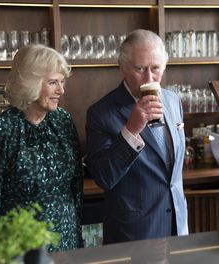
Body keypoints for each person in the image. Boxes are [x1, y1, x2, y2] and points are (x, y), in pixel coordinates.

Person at [0, 44, 84, 252]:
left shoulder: (64, 121)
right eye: (53, 83)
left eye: (62, 82)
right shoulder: (3, 129)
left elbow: (76, 185)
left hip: (66, 239)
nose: (61, 90)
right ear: (31, 84)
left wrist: (77, 234)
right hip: (22, 245)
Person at [85, 29, 188, 244]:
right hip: (134, 235)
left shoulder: (172, 100)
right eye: (140, 69)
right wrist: (131, 129)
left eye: (156, 68)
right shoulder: (101, 113)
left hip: (177, 227)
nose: (149, 78)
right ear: (122, 67)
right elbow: (104, 178)